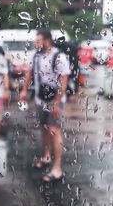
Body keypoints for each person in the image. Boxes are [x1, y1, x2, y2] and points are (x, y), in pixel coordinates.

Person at [19, 29, 70, 183]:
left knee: (54, 130)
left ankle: (57, 168)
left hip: (54, 100)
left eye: (38, 40)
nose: (36, 43)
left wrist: (56, 103)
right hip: (41, 99)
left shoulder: (59, 57)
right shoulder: (35, 56)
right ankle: (46, 156)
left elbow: (64, 81)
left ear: (47, 41)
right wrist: (23, 90)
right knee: (44, 128)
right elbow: (29, 73)